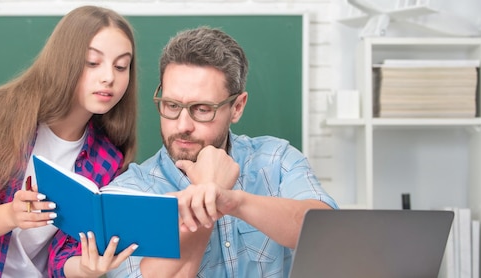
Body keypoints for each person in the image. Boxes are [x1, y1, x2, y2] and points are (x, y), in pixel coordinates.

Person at [0, 6, 139, 277]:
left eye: (121, 66)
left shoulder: (108, 157)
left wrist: (87, 267)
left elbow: (62, 258)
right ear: (64, 60)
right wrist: (10, 215)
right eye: (92, 62)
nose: (109, 77)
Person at [106, 26, 339, 278]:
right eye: (172, 105)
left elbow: (328, 233)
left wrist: (232, 201)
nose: (183, 125)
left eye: (202, 109)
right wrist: (206, 194)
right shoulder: (130, 193)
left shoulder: (276, 159)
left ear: (237, 107)